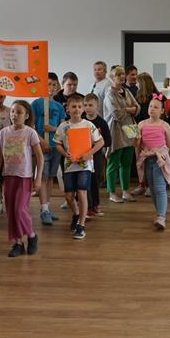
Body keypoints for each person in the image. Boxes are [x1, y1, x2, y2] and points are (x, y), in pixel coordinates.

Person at [0, 100, 42, 256]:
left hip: (24, 177)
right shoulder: (4, 133)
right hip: (8, 176)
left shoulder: (30, 133)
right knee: (11, 212)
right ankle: (18, 243)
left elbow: (40, 157)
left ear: (26, 116)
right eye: (13, 111)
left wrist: (38, 178)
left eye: (19, 112)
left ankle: (32, 236)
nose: (14, 115)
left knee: (20, 210)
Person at [55, 93, 103, 240]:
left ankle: (81, 226)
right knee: (69, 196)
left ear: (83, 109)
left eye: (79, 106)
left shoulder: (88, 125)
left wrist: (89, 153)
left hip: (85, 165)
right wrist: (65, 153)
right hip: (70, 165)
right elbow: (58, 143)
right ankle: (76, 214)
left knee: (82, 192)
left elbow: (100, 142)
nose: (77, 109)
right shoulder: (63, 126)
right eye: (74, 106)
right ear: (68, 109)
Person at [135, 94, 170, 230]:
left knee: (159, 187)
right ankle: (160, 212)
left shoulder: (165, 125)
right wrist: (137, 143)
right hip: (148, 159)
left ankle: (161, 216)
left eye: (156, 107)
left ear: (162, 111)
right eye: (150, 106)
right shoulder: (141, 124)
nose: (152, 109)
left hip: (161, 159)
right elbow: (137, 145)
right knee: (152, 189)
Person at [31, 73, 67, 225]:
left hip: (56, 146)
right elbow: (31, 126)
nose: (51, 87)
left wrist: (52, 129)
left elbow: (63, 127)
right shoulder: (37, 104)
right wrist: (40, 140)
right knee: (43, 177)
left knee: (51, 177)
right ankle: (44, 208)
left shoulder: (59, 106)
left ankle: (47, 207)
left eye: (54, 85)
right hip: (42, 146)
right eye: (48, 84)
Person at [104, 66, 140, 203]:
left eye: (123, 74)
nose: (122, 77)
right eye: (118, 75)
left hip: (130, 129)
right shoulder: (110, 94)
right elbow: (116, 114)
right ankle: (112, 193)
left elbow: (138, 108)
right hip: (116, 131)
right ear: (112, 78)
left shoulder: (127, 91)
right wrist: (130, 110)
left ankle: (125, 191)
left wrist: (127, 109)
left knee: (127, 162)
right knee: (113, 163)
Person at [83, 93, 111, 218]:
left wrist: (97, 145)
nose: (87, 108)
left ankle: (96, 205)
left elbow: (108, 140)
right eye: (85, 105)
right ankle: (88, 206)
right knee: (86, 180)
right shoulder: (81, 120)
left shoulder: (102, 122)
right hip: (83, 155)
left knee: (96, 180)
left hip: (97, 155)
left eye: (90, 105)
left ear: (97, 106)